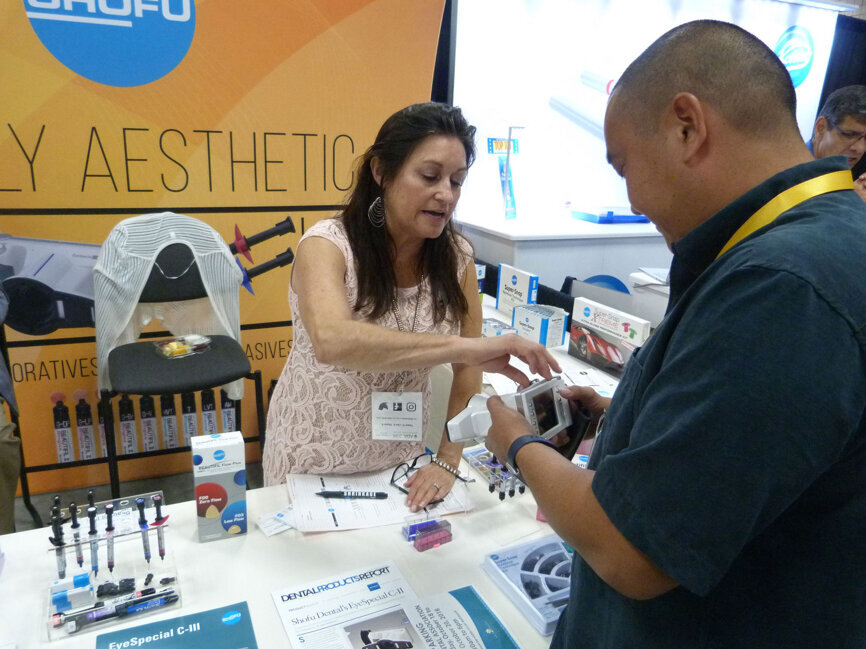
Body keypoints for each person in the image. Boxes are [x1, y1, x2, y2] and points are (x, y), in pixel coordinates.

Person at [486, 20, 866, 647]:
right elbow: (764, 447)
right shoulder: (805, 250)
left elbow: (633, 550)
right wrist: (628, 414)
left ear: (687, 126)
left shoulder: (784, 286)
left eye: (625, 165)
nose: (632, 198)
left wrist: (519, 445)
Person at [263, 102, 560, 511]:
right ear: (382, 171)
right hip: (311, 455)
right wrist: (464, 347)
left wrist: (449, 458)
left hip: (400, 464)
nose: (446, 195)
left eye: (457, 181)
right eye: (430, 176)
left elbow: (468, 369)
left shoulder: (456, 257)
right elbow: (332, 340)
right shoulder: (327, 246)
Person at [808, 84, 866, 201]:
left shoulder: (846, 180)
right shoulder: (785, 171)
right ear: (821, 128)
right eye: (849, 135)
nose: (860, 148)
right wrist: (849, 205)